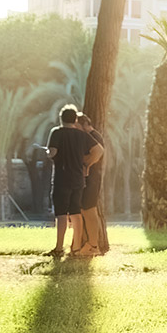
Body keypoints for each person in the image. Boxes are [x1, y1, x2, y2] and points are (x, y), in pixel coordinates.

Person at [44, 104, 96, 259]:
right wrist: (88, 163)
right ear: (75, 120)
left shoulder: (56, 132)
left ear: (61, 119)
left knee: (61, 213)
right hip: (78, 179)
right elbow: (98, 149)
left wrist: (47, 152)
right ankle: (76, 247)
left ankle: (59, 247)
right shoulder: (82, 135)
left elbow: (52, 152)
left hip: (62, 178)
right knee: (75, 212)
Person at [71, 114, 108, 256]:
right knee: (83, 210)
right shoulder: (89, 136)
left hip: (92, 179)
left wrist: (82, 162)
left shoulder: (94, 137)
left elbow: (96, 154)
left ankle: (93, 245)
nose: (75, 130)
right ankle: (86, 243)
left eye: (77, 126)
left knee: (89, 210)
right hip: (86, 179)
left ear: (85, 124)